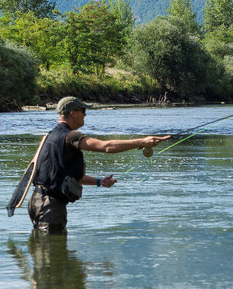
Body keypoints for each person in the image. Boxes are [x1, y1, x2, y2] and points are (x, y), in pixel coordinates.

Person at [28, 96, 170, 233]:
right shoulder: (71, 136)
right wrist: (142, 142)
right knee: (51, 253)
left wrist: (99, 181)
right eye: (83, 111)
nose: (85, 115)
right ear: (73, 113)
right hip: (50, 206)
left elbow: (65, 175)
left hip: (37, 202)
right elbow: (106, 146)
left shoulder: (49, 137)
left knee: (46, 253)